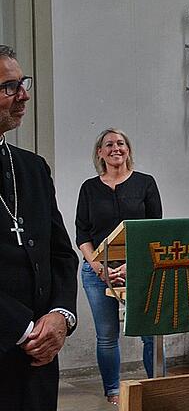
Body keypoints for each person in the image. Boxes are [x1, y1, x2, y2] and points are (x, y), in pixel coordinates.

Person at [0, 44, 78, 410]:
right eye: (9, 87)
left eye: (22, 83)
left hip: (40, 357)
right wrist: (27, 329)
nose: (24, 95)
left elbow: (61, 253)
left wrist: (61, 316)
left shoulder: (32, 167)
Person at [75, 128, 161, 405]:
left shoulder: (145, 183)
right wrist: (98, 267)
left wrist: (132, 266)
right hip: (96, 271)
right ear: (100, 152)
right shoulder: (89, 188)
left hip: (140, 269)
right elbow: (82, 235)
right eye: (109, 144)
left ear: (128, 149)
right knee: (107, 335)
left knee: (151, 333)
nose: (116, 148)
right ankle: (113, 390)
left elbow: (153, 231)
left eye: (121, 143)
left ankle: (156, 386)